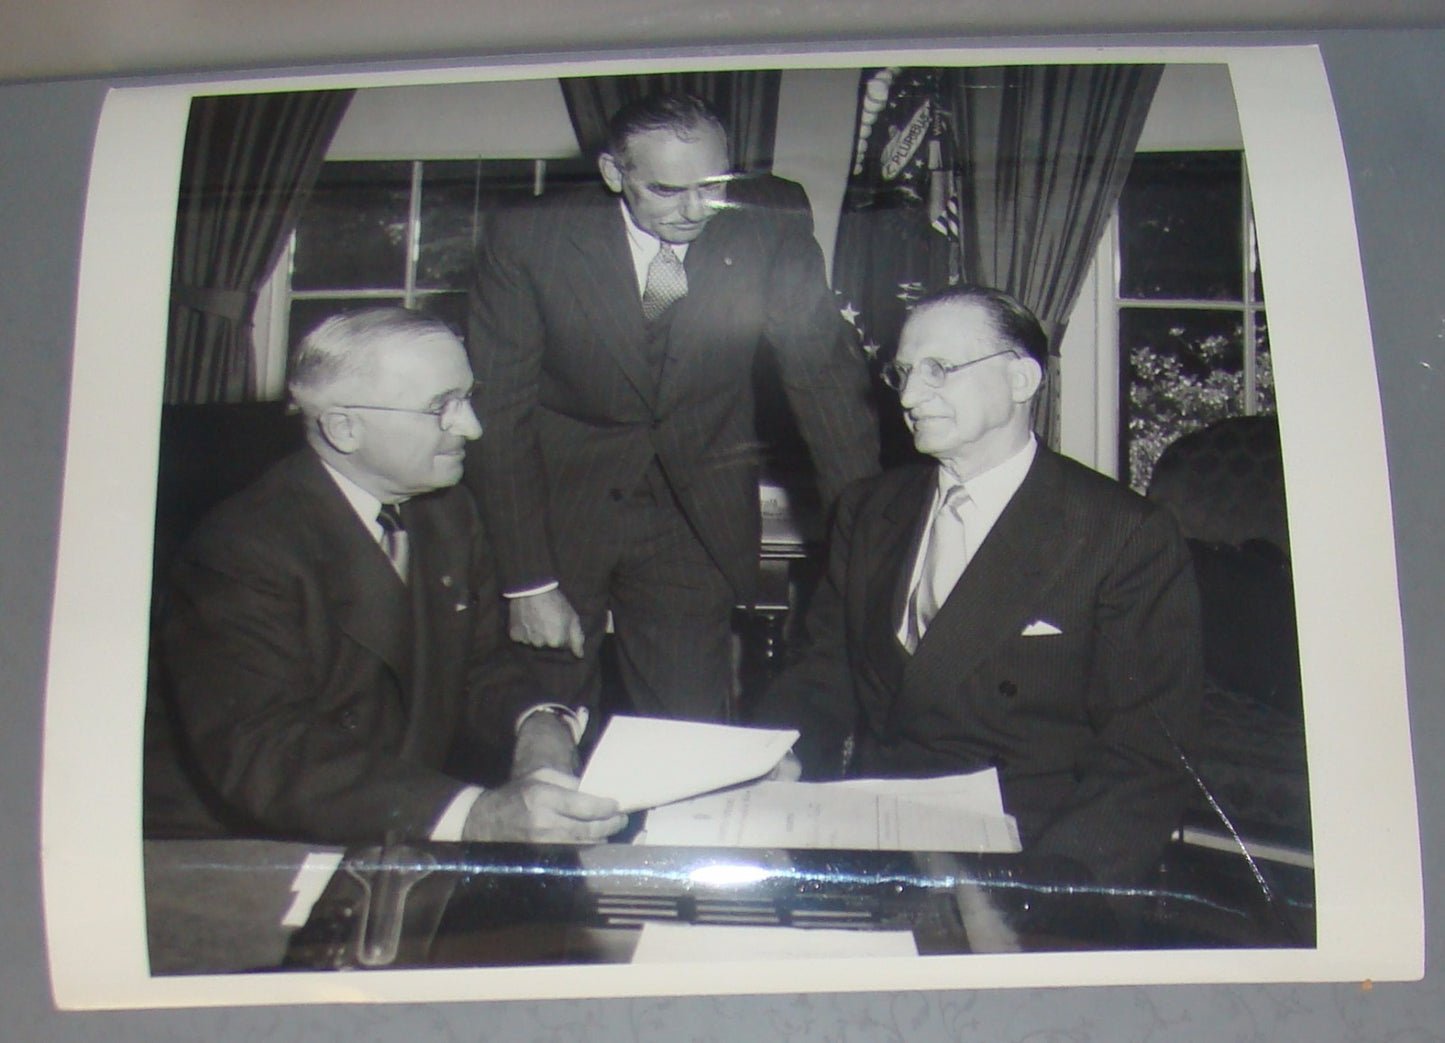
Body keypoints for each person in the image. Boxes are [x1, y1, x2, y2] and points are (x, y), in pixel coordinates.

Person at [755, 286, 1202, 890]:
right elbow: (823, 673)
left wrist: (1053, 893)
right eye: (904, 373)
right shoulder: (869, 509)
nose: (910, 397)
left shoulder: (1122, 533)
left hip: (1029, 856)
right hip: (865, 835)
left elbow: (1146, 756)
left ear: (1021, 379)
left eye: (939, 370)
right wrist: (781, 759)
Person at [144, 308, 627, 846]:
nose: (471, 426)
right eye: (440, 408)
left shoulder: (446, 511)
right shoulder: (243, 548)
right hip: (235, 845)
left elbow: (478, 666)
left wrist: (539, 721)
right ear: (344, 428)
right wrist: (477, 814)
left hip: (388, 819)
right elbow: (265, 752)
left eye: (468, 398)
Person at [466, 93, 880, 722]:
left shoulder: (770, 219)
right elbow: (500, 412)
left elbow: (824, 379)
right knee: (546, 728)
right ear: (614, 174)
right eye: (665, 189)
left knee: (688, 731)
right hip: (557, 511)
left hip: (693, 517)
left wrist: (873, 540)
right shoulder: (531, 238)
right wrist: (529, 582)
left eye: (713, 185)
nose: (695, 210)